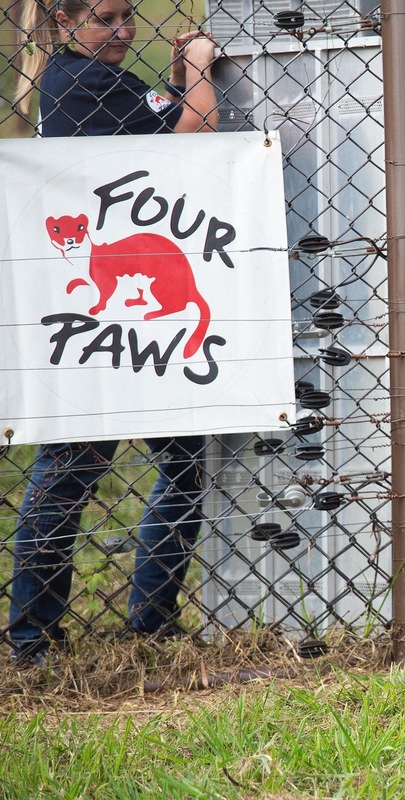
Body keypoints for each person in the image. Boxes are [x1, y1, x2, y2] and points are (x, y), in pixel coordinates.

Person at [6, 0, 218, 665]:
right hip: (105, 309)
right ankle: (37, 637)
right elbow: (195, 130)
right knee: (73, 471)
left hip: (128, 300)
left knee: (177, 460)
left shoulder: (93, 80)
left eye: (129, 17)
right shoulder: (84, 80)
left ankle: (123, 624)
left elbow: (155, 126)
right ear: (64, 24)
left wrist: (180, 77)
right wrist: (205, 71)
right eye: (105, 19)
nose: (124, 30)